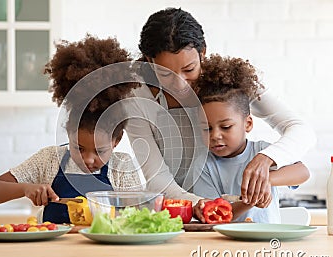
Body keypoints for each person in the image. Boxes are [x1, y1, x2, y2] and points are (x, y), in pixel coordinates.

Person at [125, 7, 316, 210]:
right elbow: (157, 180)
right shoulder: (136, 98)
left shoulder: (227, 83)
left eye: (189, 69)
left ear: (202, 53)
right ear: (149, 61)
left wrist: (266, 159)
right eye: (165, 74)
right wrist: (204, 206)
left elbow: (301, 130)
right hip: (179, 210)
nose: (180, 84)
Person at [0, 36, 143, 224]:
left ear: (117, 140)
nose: (88, 159)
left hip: (103, 253)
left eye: (99, 151)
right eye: (79, 147)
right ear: (68, 133)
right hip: (49, 252)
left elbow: (136, 216)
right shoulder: (49, 160)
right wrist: (26, 188)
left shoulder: (122, 168)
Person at [192, 54, 310, 223]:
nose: (215, 135)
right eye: (206, 128)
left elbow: (303, 172)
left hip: (269, 243)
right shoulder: (203, 165)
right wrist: (250, 200)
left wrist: (266, 180)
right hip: (226, 247)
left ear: (247, 124)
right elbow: (214, 215)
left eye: (226, 127)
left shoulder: (263, 151)